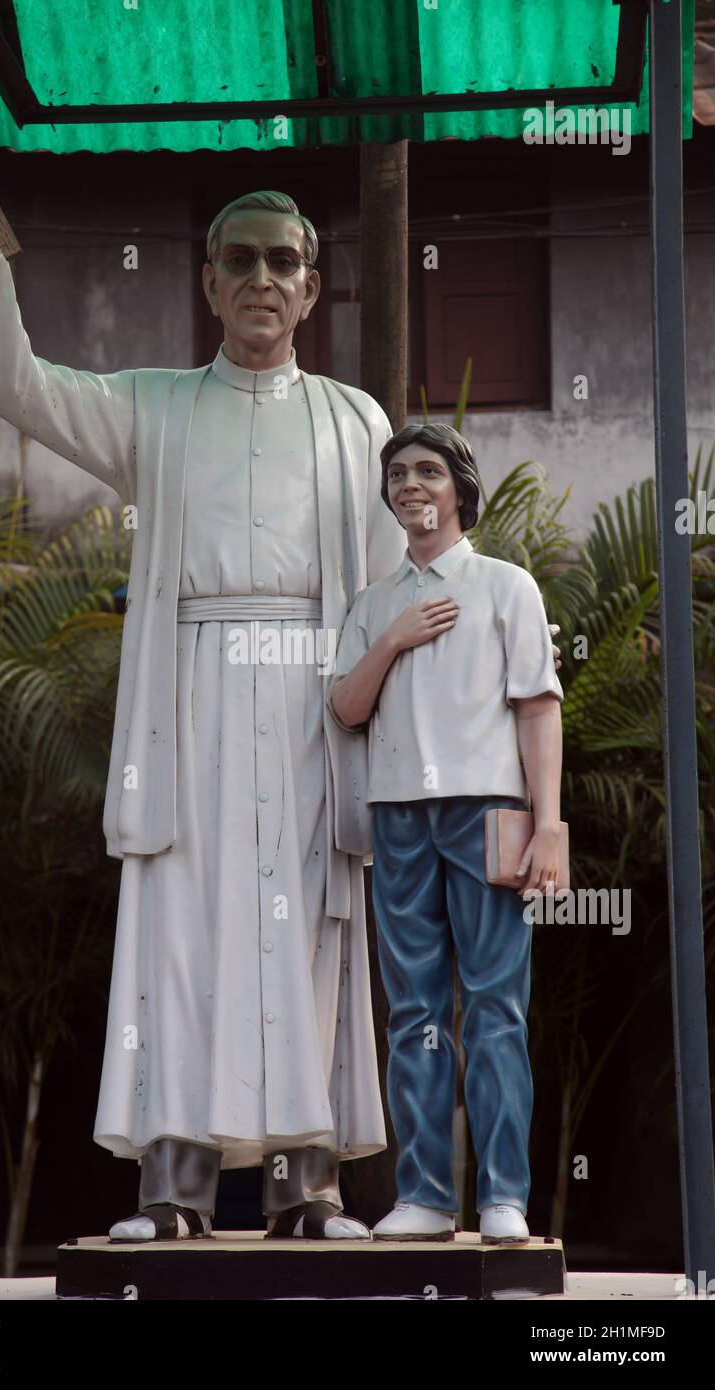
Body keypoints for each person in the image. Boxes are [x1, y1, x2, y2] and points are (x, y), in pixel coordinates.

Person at [0, 119, 408, 1241]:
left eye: (280, 259)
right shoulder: (150, 406)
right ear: (204, 280)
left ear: (309, 286)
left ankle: (311, 1188)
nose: (258, 277)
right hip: (186, 695)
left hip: (310, 692)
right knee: (182, 928)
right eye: (236, 258)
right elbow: (11, 382)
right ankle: (172, 1190)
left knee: (308, 931)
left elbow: (392, 601)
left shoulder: (358, 423)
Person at [328, 423, 563, 1243]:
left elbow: (537, 707)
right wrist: (394, 638)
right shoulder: (373, 604)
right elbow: (347, 708)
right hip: (399, 820)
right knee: (414, 1011)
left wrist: (551, 824)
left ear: (461, 488)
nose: (410, 484)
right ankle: (424, 1195)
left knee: (496, 1006)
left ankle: (504, 1196)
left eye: (428, 470)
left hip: (489, 812)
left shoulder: (507, 587)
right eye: (397, 474)